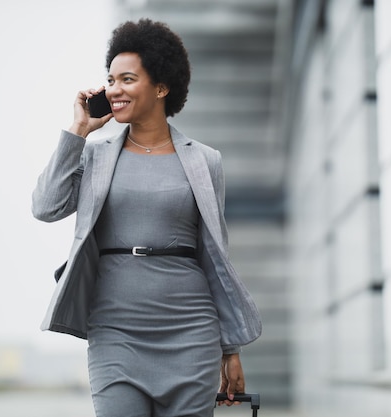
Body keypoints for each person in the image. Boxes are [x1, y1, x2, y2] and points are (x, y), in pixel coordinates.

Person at [32, 19, 262, 417]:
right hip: (115, 331)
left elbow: (216, 256)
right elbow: (46, 206)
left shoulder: (205, 161)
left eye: (127, 79)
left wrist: (231, 348)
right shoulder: (94, 154)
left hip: (191, 332)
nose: (113, 90)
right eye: (110, 79)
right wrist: (78, 130)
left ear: (161, 87)